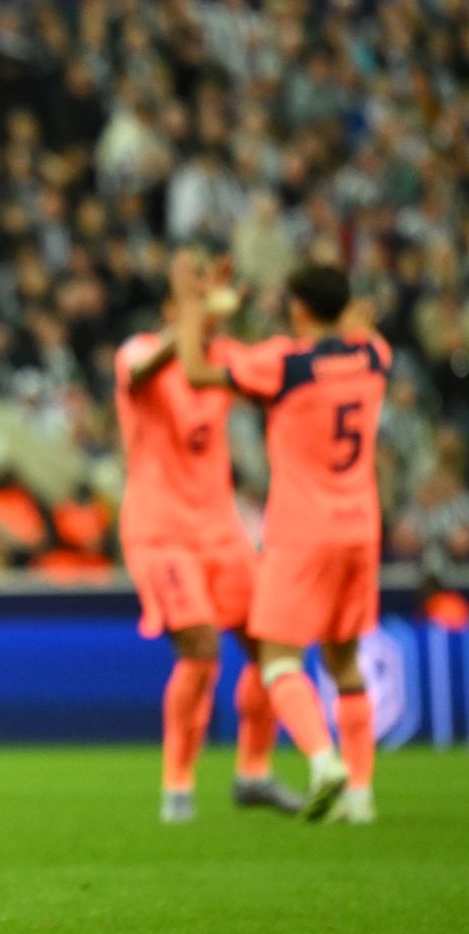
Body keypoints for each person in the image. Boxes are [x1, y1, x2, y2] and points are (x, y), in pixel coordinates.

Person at [179, 263, 385, 823]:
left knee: (277, 659)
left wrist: (193, 304)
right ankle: (361, 796)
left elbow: (195, 371)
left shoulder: (284, 364)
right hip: (361, 527)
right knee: (345, 662)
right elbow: (363, 334)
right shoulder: (374, 356)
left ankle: (322, 761)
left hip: (303, 530)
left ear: (298, 309)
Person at [113, 251, 303, 823]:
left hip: (221, 528)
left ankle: (253, 773)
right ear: (171, 309)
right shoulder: (139, 350)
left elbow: (276, 375)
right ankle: (177, 784)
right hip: (161, 532)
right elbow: (141, 375)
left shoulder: (221, 358)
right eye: (192, 302)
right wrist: (194, 312)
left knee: (273, 644)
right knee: (200, 652)